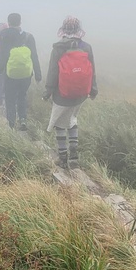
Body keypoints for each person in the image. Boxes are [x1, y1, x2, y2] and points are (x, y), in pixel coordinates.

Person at [43, 16, 97, 168]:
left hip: (62, 93)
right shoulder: (86, 47)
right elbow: (92, 70)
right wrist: (93, 90)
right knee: (72, 120)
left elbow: (53, 71)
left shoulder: (58, 48)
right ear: (78, 29)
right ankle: (74, 155)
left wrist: (47, 91)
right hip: (80, 93)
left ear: (64, 29)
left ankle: (62, 158)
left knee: (60, 124)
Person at [0, 13, 41, 130]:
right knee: (22, 96)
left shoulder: (4, 35)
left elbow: (3, 55)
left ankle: (11, 123)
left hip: (10, 73)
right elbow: (34, 56)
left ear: (9, 22)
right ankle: (23, 120)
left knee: (10, 97)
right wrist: (38, 75)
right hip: (26, 73)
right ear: (20, 22)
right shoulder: (28, 37)